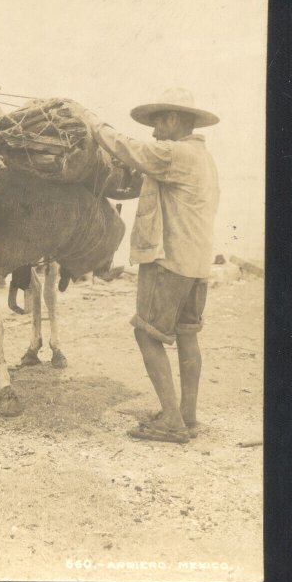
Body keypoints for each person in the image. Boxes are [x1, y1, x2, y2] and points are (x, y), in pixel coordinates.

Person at [85, 89, 220, 444]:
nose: (155, 130)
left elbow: (130, 148)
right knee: (188, 333)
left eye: (158, 121)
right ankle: (188, 415)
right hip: (197, 263)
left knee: (145, 332)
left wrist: (91, 120)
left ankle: (171, 422)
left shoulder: (174, 153)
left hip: (168, 261)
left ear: (174, 119)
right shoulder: (203, 157)